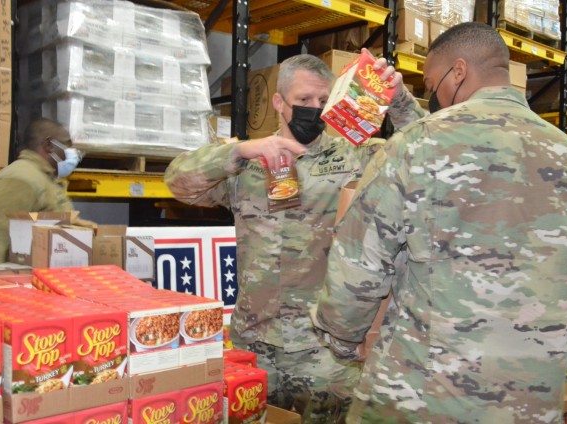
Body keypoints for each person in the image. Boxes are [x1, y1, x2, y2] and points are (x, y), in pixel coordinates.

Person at [311, 22, 567, 423]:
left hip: (423, 395)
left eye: (432, 85)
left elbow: (358, 270)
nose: (432, 99)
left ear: (459, 72)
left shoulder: (416, 145)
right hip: (530, 397)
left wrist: (342, 341)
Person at [164, 50, 426, 422]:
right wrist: (239, 149)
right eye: (303, 100)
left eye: (323, 100)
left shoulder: (357, 158)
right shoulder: (247, 166)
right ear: (278, 103)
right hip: (253, 345)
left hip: (324, 354)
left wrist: (398, 100)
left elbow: (424, 151)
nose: (314, 109)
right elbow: (177, 181)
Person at [0, 118, 86, 263]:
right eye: (66, 145)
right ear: (48, 145)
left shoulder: (44, 179)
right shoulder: (20, 179)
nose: (72, 153)